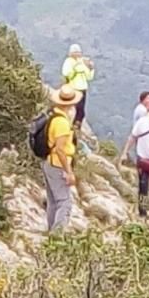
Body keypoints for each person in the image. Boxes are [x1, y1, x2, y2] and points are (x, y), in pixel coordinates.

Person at [43, 84, 82, 232]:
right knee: (64, 202)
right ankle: (57, 235)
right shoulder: (62, 123)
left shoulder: (54, 116)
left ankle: (51, 231)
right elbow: (60, 149)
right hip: (58, 164)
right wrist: (69, 171)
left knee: (53, 201)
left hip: (49, 162)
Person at [61, 43, 94, 131]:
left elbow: (89, 77)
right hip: (73, 88)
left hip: (82, 89)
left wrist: (91, 69)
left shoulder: (81, 62)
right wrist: (75, 69)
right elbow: (66, 74)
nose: (78, 54)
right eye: (75, 52)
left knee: (81, 111)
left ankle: (76, 128)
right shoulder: (69, 62)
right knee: (75, 109)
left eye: (78, 52)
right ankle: (71, 127)